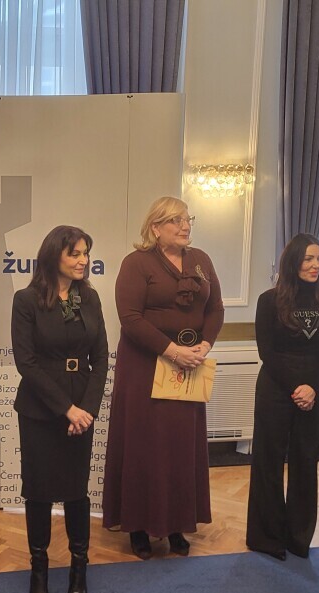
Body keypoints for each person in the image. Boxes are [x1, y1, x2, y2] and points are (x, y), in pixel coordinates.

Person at [102, 196, 225, 559]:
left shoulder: (201, 260)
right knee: (144, 446)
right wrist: (172, 351)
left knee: (180, 447)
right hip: (145, 367)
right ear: (155, 228)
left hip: (189, 365)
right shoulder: (136, 263)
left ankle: (176, 525)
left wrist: (204, 344)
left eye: (187, 219)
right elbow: (130, 318)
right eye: (175, 220)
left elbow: (216, 308)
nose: (185, 226)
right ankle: (139, 527)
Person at [11, 226, 108, 593]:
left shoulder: (90, 297)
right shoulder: (26, 300)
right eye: (75, 254)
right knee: (38, 491)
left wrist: (87, 410)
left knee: (75, 491)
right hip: (40, 408)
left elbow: (101, 359)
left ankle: (78, 569)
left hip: (82, 407)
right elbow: (26, 362)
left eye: (86, 253)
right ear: (54, 257)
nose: (84, 260)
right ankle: (39, 570)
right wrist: (66, 409)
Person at [246, 234, 319, 561]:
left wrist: (312, 385)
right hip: (276, 387)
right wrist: (295, 387)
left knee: (305, 460)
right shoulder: (268, 300)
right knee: (268, 462)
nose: (315, 265)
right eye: (308, 259)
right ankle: (267, 537)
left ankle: (299, 538)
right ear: (292, 262)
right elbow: (267, 351)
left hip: (314, 389)